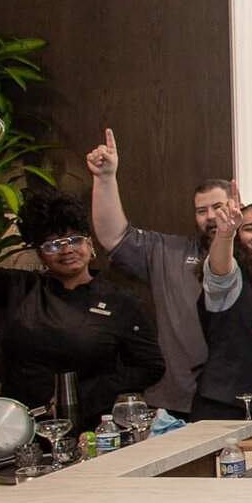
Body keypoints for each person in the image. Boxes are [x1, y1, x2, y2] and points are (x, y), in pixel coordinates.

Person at [0, 170, 162, 425]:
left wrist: (90, 392)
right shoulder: (19, 288)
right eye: (53, 244)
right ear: (40, 253)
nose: (66, 250)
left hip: (91, 431)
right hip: (17, 430)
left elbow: (151, 366)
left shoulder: (122, 303)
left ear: (90, 245)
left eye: (74, 240)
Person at [85, 126, 219, 415]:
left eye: (218, 207)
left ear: (237, 206)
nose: (210, 217)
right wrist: (105, 178)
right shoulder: (169, 252)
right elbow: (113, 237)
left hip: (244, 399)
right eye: (201, 210)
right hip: (180, 402)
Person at [195, 186, 252, 421]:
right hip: (226, 407)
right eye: (249, 228)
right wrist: (225, 234)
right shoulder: (233, 277)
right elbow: (219, 272)